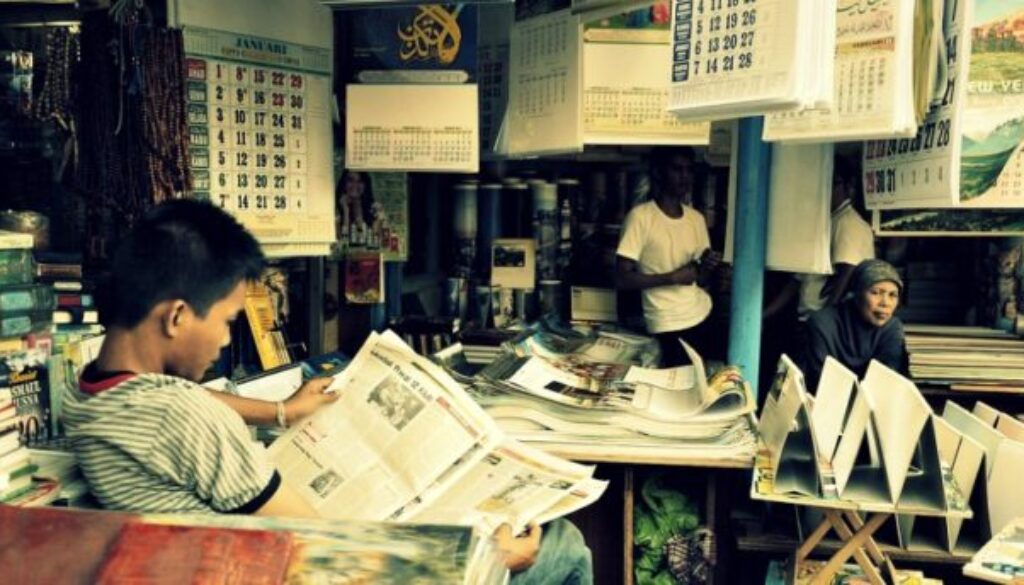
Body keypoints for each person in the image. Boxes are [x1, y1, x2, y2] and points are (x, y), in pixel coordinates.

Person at [62, 199, 591, 583]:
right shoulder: (180, 416)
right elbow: (339, 550)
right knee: (560, 546)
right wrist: (493, 560)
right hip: (301, 564)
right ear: (177, 315)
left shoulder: (90, 391)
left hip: (230, 553)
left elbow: (182, 403)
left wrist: (281, 411)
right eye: (225, 321)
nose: (225, 338)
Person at [616, 146, 721, 366]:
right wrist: (671, 278)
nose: (684, 177)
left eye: (688, 170)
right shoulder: (641, 218)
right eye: (677, 169)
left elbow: (700, 279)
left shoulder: (696, 219)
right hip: (666, 322)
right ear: (658, 172)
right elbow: (622, 279)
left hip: (702, 313)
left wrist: (707, 267)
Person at [799, 259, 908, 393]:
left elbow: (885, 383)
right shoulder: (821, 324)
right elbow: (820, 381)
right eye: (875, 292)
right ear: (856, 293)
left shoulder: (892, 328)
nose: (885, 303)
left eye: (893, 295)